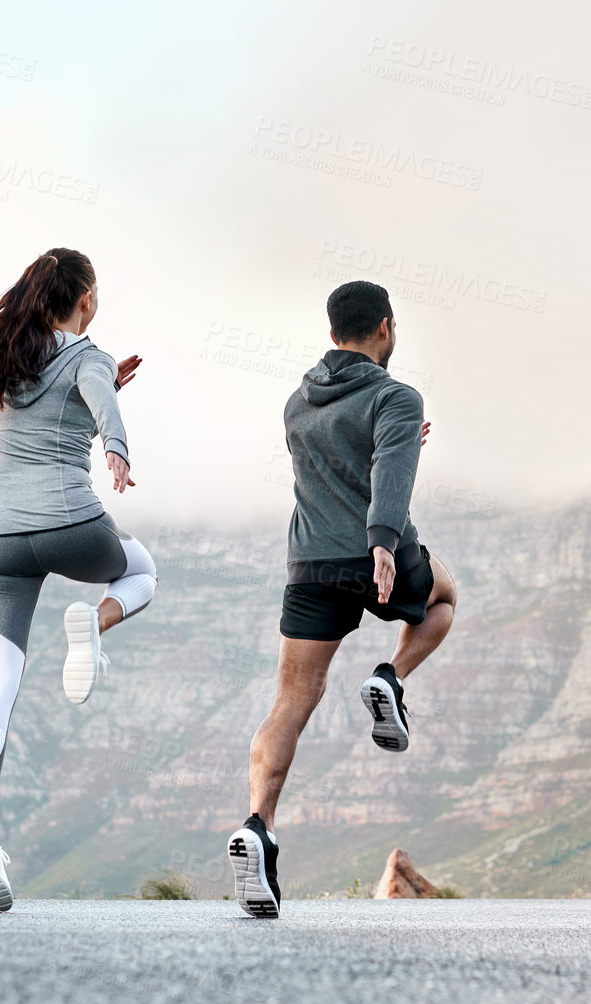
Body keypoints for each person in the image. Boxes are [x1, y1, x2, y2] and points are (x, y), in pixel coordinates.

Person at [227, 280, 457, 918]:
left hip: (311, 566)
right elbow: (386, 474)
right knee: (444, 596)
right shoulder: (396, 396)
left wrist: (402, 440)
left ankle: (257, 825)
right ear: (385, 327)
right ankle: (391, 675)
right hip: (375, 556)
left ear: (332, 335)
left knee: (292, 700)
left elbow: (347, 459)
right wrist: (383, 544)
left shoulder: (297, 404)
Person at [0, 247, 158, 912]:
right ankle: (93, 626)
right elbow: (97, 404)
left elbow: (59, 404)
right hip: (71, 524)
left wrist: (103, 388)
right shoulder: (90, 357)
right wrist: (118, 454)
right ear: (87, 299)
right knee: (141, 570)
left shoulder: (10, 360)